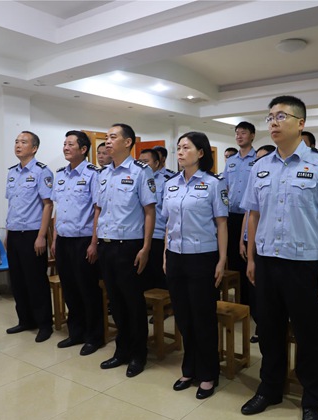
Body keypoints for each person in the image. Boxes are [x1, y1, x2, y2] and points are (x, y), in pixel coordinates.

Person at [240, 95, 318, 420]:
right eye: (270, 116)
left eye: (281, 116)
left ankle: (312, 400)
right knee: (269, 330)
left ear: (301, 123)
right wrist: (251, 258)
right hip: (267, 262)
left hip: (304, 265)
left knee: (307, 334)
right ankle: (270, 389)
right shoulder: (260, 166)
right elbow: (254, 214)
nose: (273, 122)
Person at [163, 131, 228, 400]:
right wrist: (165, 255)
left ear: (200, 153)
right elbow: (168, 224)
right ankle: (189, 369)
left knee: (203, 317)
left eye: (186, 147)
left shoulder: (213, 184)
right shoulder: (170, 184)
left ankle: (209, 373)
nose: (180, 152)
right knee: (183, 316)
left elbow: (221, 224)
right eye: (178, 147)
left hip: (203, 257)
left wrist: (222, 260)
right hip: (175, 256)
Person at [95, 123, 157, 378]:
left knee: (133, 303)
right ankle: (121, 351)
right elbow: (99, 210)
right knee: (116, 302)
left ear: (128, 142)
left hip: (129, 246)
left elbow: (149, 211)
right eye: (106, 137)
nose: (108, 141)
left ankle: (139, 354)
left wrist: (146, 247)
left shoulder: (141, 172)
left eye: (113, 137)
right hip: (106, 244)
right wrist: (95, 242)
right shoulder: (103, 174)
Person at [50, 130, 104, 356]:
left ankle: (94, 337)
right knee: (70, 289)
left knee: (87, 290)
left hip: (84, 240)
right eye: (64, 144)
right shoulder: (60, 175)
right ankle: (76, 332)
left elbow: (98, 210)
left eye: (70, 144)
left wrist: (94, 242)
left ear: (83, 149)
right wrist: (55, 239)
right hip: (64, 240)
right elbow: (58, 209)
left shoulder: (93, 174)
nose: (65, 147)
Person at [4, 131, 54, 343]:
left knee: (36, 281)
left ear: (34, 148)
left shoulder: (42, 171)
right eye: (16, 141)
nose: (18, 145)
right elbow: (12, 205)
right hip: (14, 234)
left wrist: (42, 236)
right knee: (17, 281)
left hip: (33, 234)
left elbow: (48, 205)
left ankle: (44, 324)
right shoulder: (12, 172)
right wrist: (8, 233)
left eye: (23, 142)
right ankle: (25, 320)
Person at [238, 144, 276, 343]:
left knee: (269, 292)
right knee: (254, 288)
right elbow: (249, 213)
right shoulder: (256, 178)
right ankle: (260, 323)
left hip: (269, 243)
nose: (259, 162)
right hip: (252, 240)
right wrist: (242, 240)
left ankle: (267, 326)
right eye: (257, 159)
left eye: (263, 158)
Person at [222, 121, 256, 330]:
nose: (239, 136)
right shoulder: (231, 161)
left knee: (249, 260)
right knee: (234, 261)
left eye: (243, 133)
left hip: (251, 216)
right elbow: (224, 186)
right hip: (232, 216)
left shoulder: (259, 159)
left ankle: (253, 304)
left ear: (252, 136)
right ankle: (241, 304)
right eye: (237, 133)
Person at [138, 148, 167, 291]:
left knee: (159, 279)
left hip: (158, 235)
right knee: (142, 278)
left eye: (146, 162)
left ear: (156, 163)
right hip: (139, 235)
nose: (142, 165)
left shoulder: (167, 182)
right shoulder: (136, 179)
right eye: (140, 162)